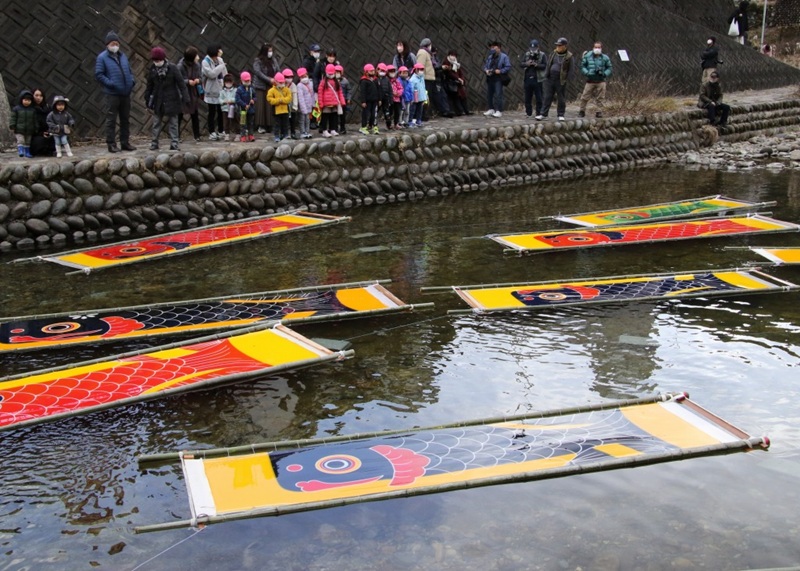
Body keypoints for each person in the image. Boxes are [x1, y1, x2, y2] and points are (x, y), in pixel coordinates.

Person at [95, 31, 136, 153]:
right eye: (113, 43)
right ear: (107, 44)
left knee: (125, 119)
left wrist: (132, 81)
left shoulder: (123, 56)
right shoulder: (102, 57)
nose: (115, 45)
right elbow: (99, 74)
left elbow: (129, 71)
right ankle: (111, 144)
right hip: (112, 94)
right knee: (111, 120)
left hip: (125, 93)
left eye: (117, 43)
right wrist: (111, 84)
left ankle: (125, 142)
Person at [144, 46, 190, 151]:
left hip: (172, 99)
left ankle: (174, 143)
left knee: (173, 123)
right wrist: (147, 98)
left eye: (159, 60)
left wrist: (186, 98)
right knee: (156, 123)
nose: (157, 62)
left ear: (163, 58)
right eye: (155, 60)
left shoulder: (173, 68)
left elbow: (181, 84)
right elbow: (149, 86)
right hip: (158, 99)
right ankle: (154, 143)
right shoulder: (153, 69)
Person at [536, 37, 574, 122]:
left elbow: (571, 69)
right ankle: (543, 114)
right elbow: (549, 64)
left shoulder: (569, 56)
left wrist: (567, 79)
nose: (558, 47)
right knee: (547, 97)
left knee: (561, 98)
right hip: (550, 78)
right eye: (557, 45)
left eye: (560, 45)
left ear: (565, 46)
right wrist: (546, 75)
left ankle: (561, 114)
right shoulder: (553, 53)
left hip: (560, 79)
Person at [578, 41, 612, 118]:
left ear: (601, 48)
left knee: (600, 98)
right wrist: (587, 73)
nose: (597, 49)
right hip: (590, 80)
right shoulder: (587, 56)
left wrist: (605, 73)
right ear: (593, 48)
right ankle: (582, 111)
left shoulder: (605, 58)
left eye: (599, 47)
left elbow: (609, 67)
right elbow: (582, 66)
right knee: (584, 97)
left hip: (601, 80)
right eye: (596, 47)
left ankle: (599, 112)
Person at [177, 46, 203, 142]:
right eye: (196, 55)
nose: (198, 57)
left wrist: (198, 80)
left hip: (193, 92)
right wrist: (188, 81)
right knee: (179, 114)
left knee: (195, 114)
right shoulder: (180, 66)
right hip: (183, 93)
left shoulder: (197, 65)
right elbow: (178, 80)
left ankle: (197, 135)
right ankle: (176, 136)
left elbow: (201, 77)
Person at [202, 44, 227, 141]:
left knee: (221, 111)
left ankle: (221, 130)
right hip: (211, 90)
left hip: (220, 88)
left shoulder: (220, 60)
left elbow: (224, 73)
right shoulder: (205, 62)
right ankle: (211, 132)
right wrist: (221, 66)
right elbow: (211, 74)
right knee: (212, 112)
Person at [253, 43, 280, 134]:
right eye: (269, 51)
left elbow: (277, 70)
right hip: (260, 86)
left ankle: (269, 125)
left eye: (271, 51)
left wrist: (277, 78)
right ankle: (261, 125)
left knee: (269, 105)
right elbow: (258, 73)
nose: (270, 53)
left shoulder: (273, 60)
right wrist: (269, 79)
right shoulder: (258, 61)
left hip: (271, 85)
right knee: (261, 105)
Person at [483, 40, 511, 118]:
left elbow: (508, 66)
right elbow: (485, 66)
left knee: (498, 94)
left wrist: (500, 71)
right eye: (491, 48)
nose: (492, 49)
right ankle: (491, 108)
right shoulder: (490, 57)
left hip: (498, 77)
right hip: (490, 77)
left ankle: (499, 110)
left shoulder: (504, 56)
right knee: (489, 94)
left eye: (494, 48)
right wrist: (486, 70)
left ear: (499, 48)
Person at [317, 63, 344, 137]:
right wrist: (321, 103)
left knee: (334, 117)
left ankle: (332, 129)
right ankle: (324, 130)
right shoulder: (323, 82)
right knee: (325, 117)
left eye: (332, 73)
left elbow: (340, 92)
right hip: (326, 103)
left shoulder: (336, 82)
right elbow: (320, 92)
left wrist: (342, 101)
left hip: (334, 103)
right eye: (329, 73)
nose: (331, 75)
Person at [521, 39, 546, 118]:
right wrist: (527, 64)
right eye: (531, 48)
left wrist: (536, 65)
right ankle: (528, 112)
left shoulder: (542, 55)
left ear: (538, 47)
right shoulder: (527, 54)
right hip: (528, 78)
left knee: (539, 97)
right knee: (527, 97)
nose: (533, 50)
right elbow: (521, 64)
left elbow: (545, 65)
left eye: (534, 48)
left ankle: (539, 112)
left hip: (538, 79)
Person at [9, 90, 37, 158]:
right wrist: (12, 125)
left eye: (29, 100)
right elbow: (13, 118)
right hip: (19, 129)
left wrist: (36, 128)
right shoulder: (16, 109)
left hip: (29, 129)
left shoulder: (32, 110)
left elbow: (35, 120)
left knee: (28, 142)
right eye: (25, 100)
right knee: (21, 140)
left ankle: (27, 152)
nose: (27, 102)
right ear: (21, 99)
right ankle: (21, 150)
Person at [441, 51, 470, 116]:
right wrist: (458, 78)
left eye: (454, 56)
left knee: (463, 95)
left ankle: (466, 110)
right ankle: (460, 111)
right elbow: (449, 73)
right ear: (449, 55)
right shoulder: (446, 62)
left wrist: (461, 79)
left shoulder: (456, 63)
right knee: (456, 97)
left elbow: (460, 72)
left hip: (458, 82)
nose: (453, 57)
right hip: (451, 83)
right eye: (452, 55)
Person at [30, 88, 56, 157]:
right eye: (36, 95)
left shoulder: (47, 108)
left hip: (48, 132)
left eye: (41, 96)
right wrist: (41, 133)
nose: (38, 98)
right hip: (35, 135)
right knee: (39, 142)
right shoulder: (29, 110)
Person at [268, 72, 292, 142]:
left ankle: (285, 134)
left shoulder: (287, 89)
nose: (281, 83)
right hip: (276, 111)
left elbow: (289, 98)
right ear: (276, 82)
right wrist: (278, 101)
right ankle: (277, 136)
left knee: (285, 124)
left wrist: (282, 100)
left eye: (282, 82)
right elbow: (269, 99)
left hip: (285, 110)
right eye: (280, 82)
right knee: (276, 124)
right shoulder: (271, 90)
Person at [416, 38, 436, 120]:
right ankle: (422, 114)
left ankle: (424, 113)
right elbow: (420, 66)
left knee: (426, 97)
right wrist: (421, 78)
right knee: (424, 97)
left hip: (429, 79)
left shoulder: (428, 53)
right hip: (425, 79)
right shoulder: (423, 53)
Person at [236, 71, 257, 142]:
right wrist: (244, 105)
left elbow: (255, 97)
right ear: (242, 80)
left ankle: (251, 135)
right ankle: (243, 135)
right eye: (246, 81)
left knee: (250, 123)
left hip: (251, 109)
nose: (247, 82)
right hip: (242, 110)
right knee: (243, 123)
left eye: (248, 80)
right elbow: (237, 99)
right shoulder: (239, 89)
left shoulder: (251, 89)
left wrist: (253, 100)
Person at [359, 63, 380, 134]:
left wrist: (379, 99)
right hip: (367, 101)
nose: (373, 72)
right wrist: (363, 101)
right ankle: (363, 127)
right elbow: (363, 92)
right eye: (371, 71)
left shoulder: (376, 80)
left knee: (374, 114)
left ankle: (374, 126)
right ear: (366, 72)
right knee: (366, 114)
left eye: (373, 71)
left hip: (375, 100)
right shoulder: (364, 81)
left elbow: (379, 90)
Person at [296, 67, 315, 139]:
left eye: (305, 76)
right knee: (302, 120)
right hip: (302, 107)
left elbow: (312, 95)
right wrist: (303, 108)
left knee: (308, 120)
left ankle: (307, 131)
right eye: (302, 77)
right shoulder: (299, 86)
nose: (304, 78)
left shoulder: (311, 83)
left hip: (309, 106)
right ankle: (302, 132)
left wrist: (313, 104)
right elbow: (300, 98)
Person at [409, 62, 428, 127]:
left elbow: (423, 87)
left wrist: (425, 97)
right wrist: (411, 98)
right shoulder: (412, 79)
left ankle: (418, 120)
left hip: (421, 97)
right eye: (420, 69)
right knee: (413, 110)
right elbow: (411, 89)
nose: (422, 71)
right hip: (415, 97)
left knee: (420, 110)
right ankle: (410, 121)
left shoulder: (422, 78)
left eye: (422, 69)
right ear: (416, 70)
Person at [282, 68, 299, 139]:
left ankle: (293, 133)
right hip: (284, 106)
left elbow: (295, 96)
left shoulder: (293, 85)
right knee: (284, 121)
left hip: (292, 106)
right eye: (287, 77)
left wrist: (295, 105)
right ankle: (284, 133)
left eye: (290, 77)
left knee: (293, 121)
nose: (289, 79)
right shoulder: (282, 85)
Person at [219, 74, 237, 142]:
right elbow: (220, 100)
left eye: (230, 82)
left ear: (232, 82)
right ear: (224, 82)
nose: (228, 83)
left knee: (235, 121)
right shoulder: (222, 91)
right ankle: (227, 134)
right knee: (226, 122)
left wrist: (231, 100)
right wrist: (224, 101)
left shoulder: (235, 90)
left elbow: (237, 98)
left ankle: (238, 133)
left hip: (233, 109)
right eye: (227, 82)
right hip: (225, 109)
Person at [386, 64, 404, 129]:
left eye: (393, 71)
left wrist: (398, 93)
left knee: (397, 112)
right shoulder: (386, 81)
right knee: (389, 112)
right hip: (389, 99)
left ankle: (396, 123)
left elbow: (401, 88)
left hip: (397, 99)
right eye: (391, 71)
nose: (392, 73)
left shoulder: (396, 81)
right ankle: (389, 124)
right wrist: (391, 93)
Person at [336, 65, 351, 134]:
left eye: (338, 72)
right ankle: (335, 127)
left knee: (343, 115)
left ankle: (342, 127)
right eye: (336, 72)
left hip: (343, 100)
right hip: (335, 100)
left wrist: (348, 98)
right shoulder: (332, 81)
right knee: (334, 115)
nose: (337, 74)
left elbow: (349, 90)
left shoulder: (345, 81)